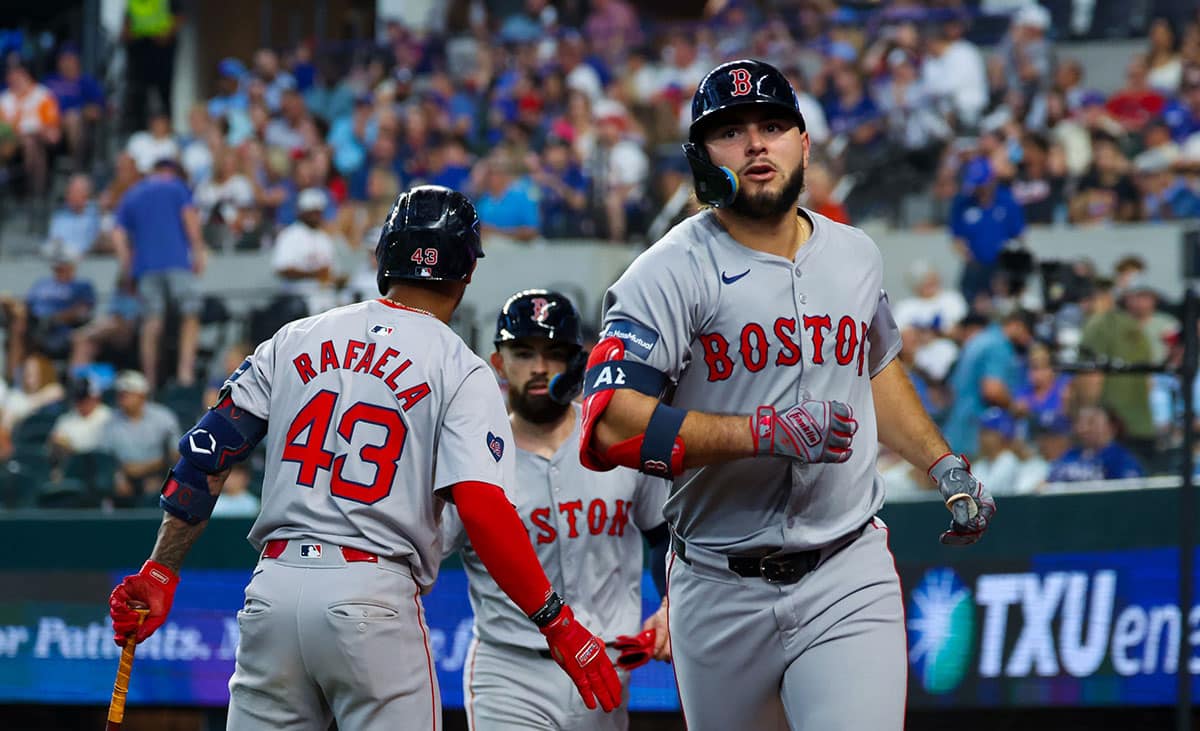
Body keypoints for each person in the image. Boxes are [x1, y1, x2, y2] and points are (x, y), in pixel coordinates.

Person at [575, 60, 996, 731]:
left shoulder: (855, 255)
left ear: (803, 142)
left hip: (845, 566)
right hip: (717, 582)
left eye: (773, 125)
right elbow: (609, 428)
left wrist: (942, 463)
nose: (755, 144)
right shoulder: (664, 273)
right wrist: (759, 431)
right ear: (700, 157)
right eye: (731, 131)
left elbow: (876, 367)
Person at [107, 185, 621, 730]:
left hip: (272, 592)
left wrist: (161, 570)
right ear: (466, 274)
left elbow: (206, 454)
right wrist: (555, 620)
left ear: (384, 257)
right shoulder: (462, 367)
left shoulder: (295, 337)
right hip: (373, 595)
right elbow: (481, 507)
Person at [443, 290, 672, 730]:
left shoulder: (614, 438)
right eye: (524, 352)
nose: (540, 368)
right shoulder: (472, 457)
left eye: (554, 353)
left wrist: (669, 602)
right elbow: (427, 555)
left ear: (576, 362)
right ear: (498, 362)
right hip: (510, 670)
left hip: (609, 664)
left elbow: (662, 533)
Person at [112, 158, 207, 388]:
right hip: (177, 263)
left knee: (152, 322)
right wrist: (198, 251)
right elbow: (190, 220)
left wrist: (128, 268)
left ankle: (149, 381)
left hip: (145, 268)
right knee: (190, 315)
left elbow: (117, 235)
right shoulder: (176, 186)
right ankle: (185, 374)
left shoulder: (132, 194)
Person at [107, 370, 181, 506]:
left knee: (157, 489)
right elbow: (105, 456)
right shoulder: (111, 420)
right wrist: (118, 477)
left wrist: (160, 474)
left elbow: (175, 454)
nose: (122, 397)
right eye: (120, 394)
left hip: (159, 474)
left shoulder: (163, 417)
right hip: (124, 476)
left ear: (142, 395)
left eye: (127, 394)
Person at [271, 187, 338, 315]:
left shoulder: (324, 238)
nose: (315, 216)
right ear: (301, 212)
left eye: (318, 212)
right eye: (311, 212)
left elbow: (330, 271)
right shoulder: (290, 235)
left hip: (325, 296)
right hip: (297, 296)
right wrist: (314, 274)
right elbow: (282, 269)